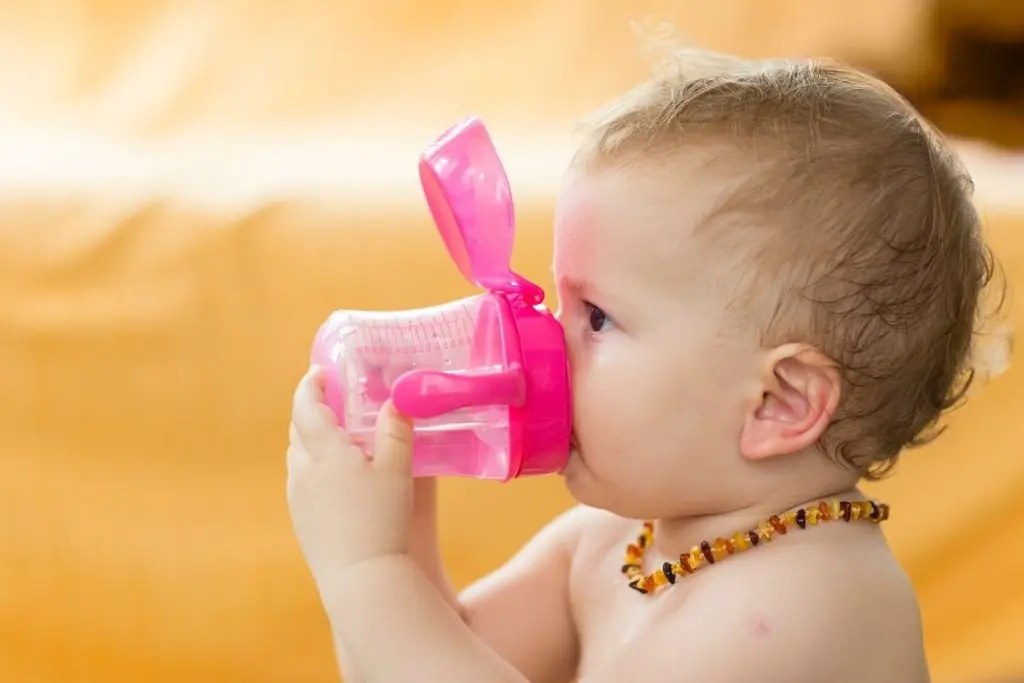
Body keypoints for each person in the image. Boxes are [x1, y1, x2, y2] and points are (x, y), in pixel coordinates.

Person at [285, 40, 1005, 683]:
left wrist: (365, 571)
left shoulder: (810, 603)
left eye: (596, 316)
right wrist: (399, 510)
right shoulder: (612, 543)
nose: (546, 338)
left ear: (778, 401)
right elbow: (413, 654)